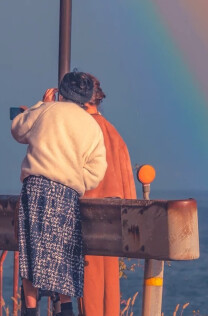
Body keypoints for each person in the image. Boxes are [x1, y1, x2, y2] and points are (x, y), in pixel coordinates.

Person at [11, 71, 107, 316]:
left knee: (31, 255)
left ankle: (31, 311)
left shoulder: (47, 110)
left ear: (61, 91)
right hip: (66, 194)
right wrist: (75, 179)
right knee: (64, 258)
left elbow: (18, 129)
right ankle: (66, 311)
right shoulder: (92, 126)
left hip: (35, 189)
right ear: (87, 98)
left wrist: (41, 103)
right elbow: (97, 170)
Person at [80, 75, 136, 316]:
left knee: (88, 286)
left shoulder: (83, 130)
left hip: (86, 213)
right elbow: (128, 186)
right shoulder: (114, 133)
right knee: (109, 288)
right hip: (114, 217)